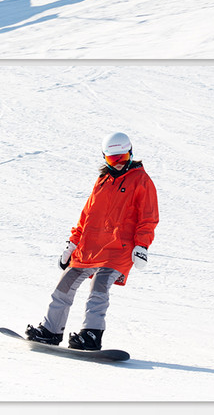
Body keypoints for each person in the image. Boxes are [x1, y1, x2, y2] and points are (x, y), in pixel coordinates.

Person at [26, 132, 159, 351]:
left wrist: (142, 246)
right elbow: (86, 215)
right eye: (112, 159)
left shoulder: (141, 180)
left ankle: (92, 334)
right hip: (90, 247)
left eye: (122, 158)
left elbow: (148, 216)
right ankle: (51, 331)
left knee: (99, 286)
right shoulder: (102, 181)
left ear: (131, 153)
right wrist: (72, 243)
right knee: (65, 284)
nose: (117, 164)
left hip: (119, 248)